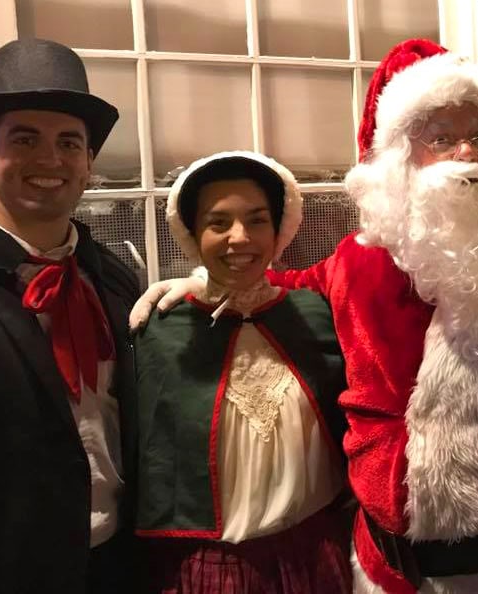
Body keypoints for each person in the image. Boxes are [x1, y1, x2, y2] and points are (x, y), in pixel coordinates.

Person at [131, 39, 478, 592]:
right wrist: (203, 279)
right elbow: (278, 286)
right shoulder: (362, 258)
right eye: (441, 138)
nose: (466, 154)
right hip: (390, 569)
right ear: (406, 157)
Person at [134, 151, 352, 592]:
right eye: (218, 223)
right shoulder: (160, 330)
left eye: (257, 220)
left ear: (279, 229)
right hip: (210, 570)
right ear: (192, 233)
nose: (240, 238)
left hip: (319, 556)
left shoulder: (315, 315)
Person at [0, 39, 141, 592]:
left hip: (119, 561)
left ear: (88, 160)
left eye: (69, 142)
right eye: (25, 139)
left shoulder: (114, 278)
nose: (50, 159)